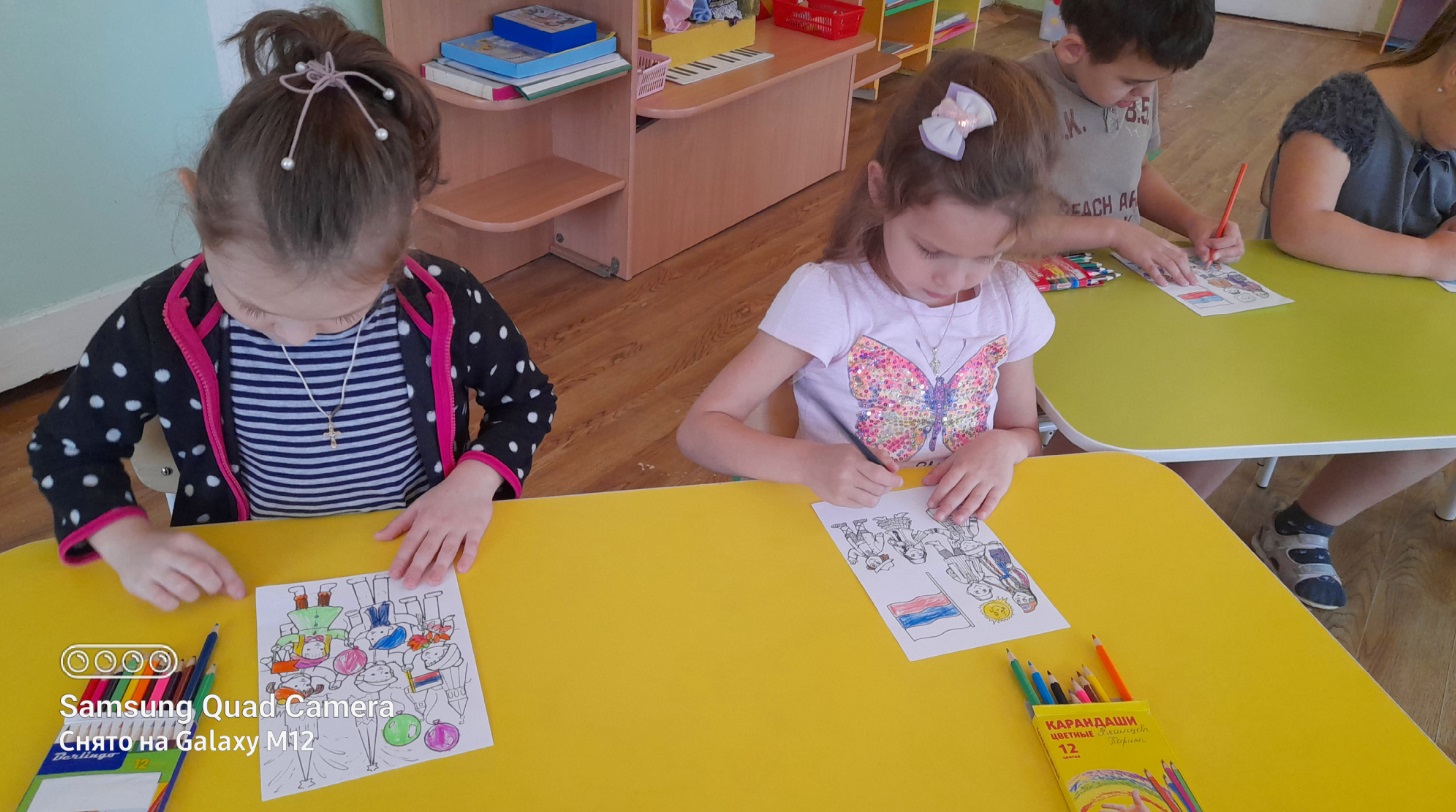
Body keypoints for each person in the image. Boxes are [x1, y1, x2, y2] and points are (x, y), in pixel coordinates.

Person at [28, 7, 556, 610]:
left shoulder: (444, 299)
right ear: (198, 208)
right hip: (249, 574)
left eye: (341, 317)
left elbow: (526, 401)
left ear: (402, 238)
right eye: (253, 307)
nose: (296, 338)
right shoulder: (162, 317)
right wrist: (126, 542)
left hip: (411, 564)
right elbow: (68, 445)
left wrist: (473, 483)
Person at [677, 52, 1058, 524]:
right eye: (930, 250)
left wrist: (1005, 447)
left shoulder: (1011, 299)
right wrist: (809, 464)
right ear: (880, 190)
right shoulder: (831, 299)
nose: (954, 280)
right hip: (835, 526)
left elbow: (1024, 432)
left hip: (955, 532)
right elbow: (700, 431)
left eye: (986, 256)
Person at [1253, 4, 1456, 610]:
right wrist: (1430, 256)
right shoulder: (1346, 106)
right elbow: (1299, 224)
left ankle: (1303, 525)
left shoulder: (1444, 124)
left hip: (1403, 324)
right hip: (1293, 321)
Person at [1022, 0, 1247, 497]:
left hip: (1123, 285)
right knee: (1112, 403)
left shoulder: (1136, 82)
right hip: (1041, 293)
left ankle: (1157, 505)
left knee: (1222, 385)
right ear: (1073, 48)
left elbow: (1137, 170)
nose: (1144, 94)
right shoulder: (1019, 95)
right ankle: (1053, 498)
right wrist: (1115, 232)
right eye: (1132, 83)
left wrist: (1193, 221)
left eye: (1158, 82)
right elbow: (1001, 228)